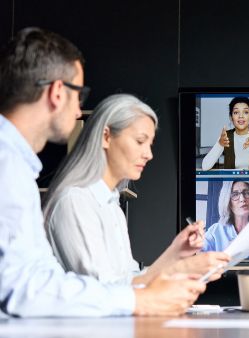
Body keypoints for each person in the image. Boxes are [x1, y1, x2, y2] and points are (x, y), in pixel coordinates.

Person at [0, 27, 205, 317]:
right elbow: (25, 288)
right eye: (79, 95)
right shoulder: (9, 166)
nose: (77, 111)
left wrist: (173, 263)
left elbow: (43, 279)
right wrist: (141, 300)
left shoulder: (17, 166)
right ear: (58, 92)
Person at [43, 94, 230, 285]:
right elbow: (104, 292)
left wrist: (176, 254)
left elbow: (131, 280)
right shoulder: (75, 201)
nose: (149, 155)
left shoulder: (112, 206)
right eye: (140, 141)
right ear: (106, 137)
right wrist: (181, 268)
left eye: (150, 145)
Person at [202, 97, 249, 170]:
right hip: (231, 183)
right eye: (236, 112)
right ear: (231, 117)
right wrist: (220, 144)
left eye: (245, 112)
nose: (241, 116)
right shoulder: (225, 136)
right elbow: (205, 166)